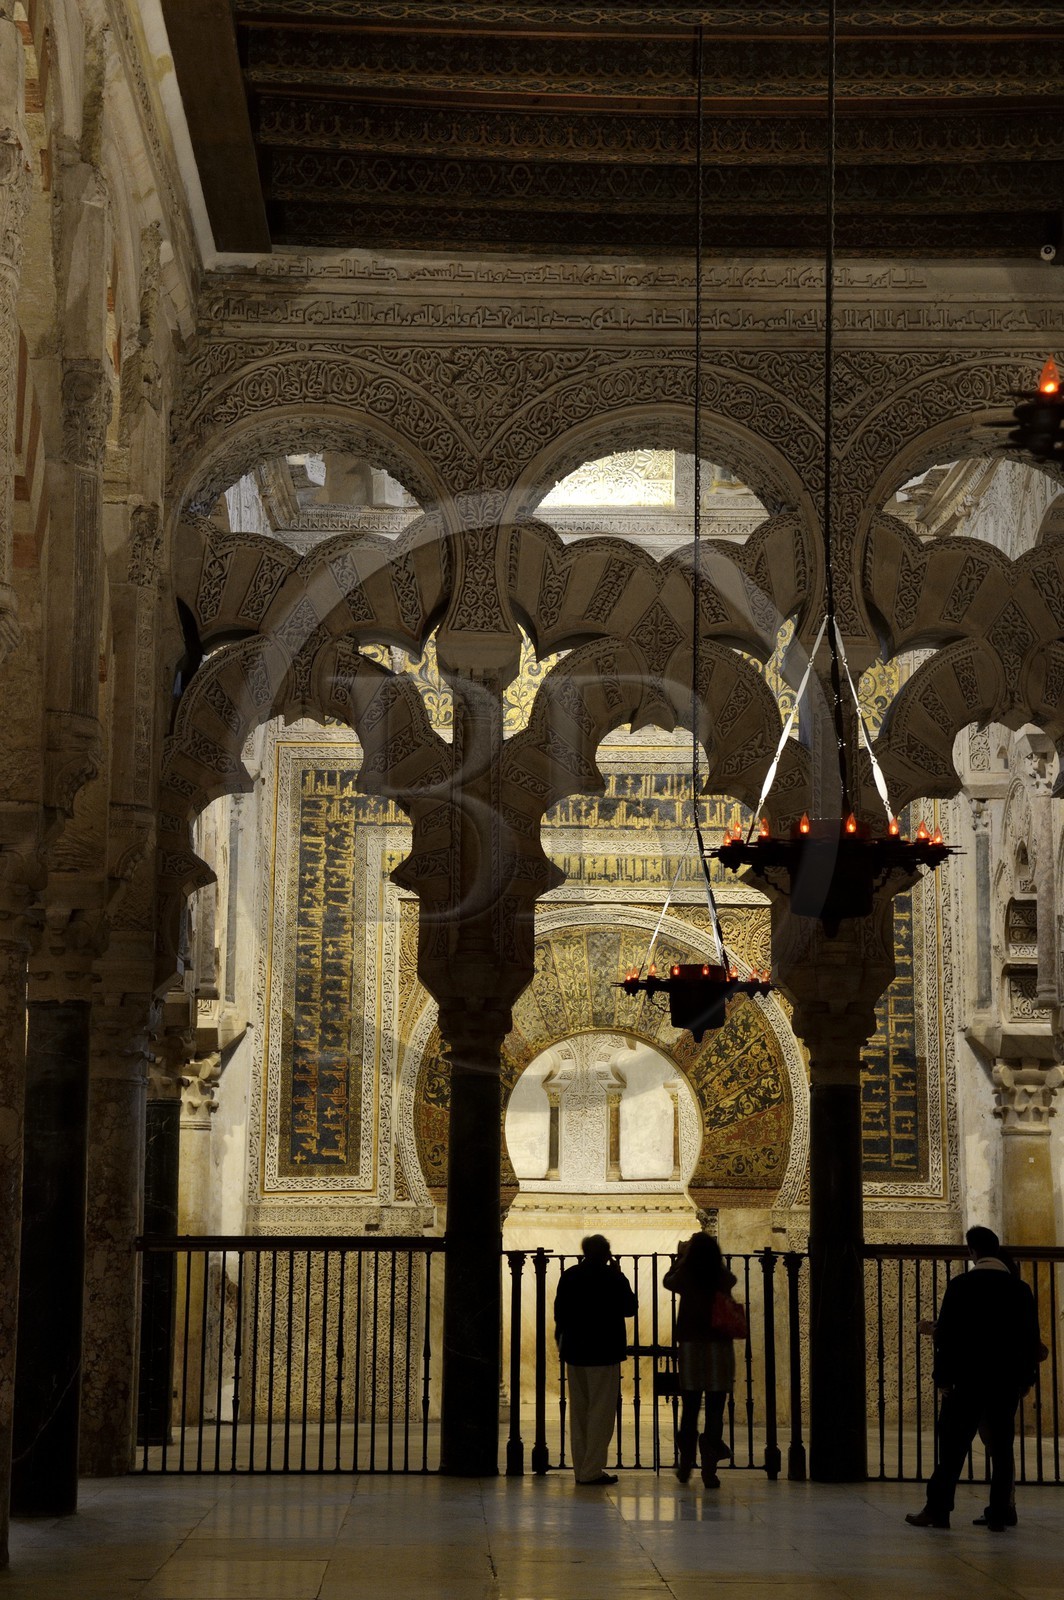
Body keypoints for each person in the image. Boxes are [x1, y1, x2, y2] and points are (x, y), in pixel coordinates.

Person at [906, 1225, 1044, 1533]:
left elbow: (947, 1338)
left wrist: (943, 1378)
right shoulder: (1020, 1290)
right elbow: (1029, 1340)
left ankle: (939, 1510)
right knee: (1003, 1450)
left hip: (967, 1383)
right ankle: (998, 1514)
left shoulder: (961, 1286)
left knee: (953, 1449)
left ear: (972, 1252)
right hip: (1005, 1383)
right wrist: (1026, 1380)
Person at [553, 1234, 637, 1486]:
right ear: (607, 1254)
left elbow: (560, 1312)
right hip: (603, 1351)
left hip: (575, 1351)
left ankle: (582, 1469)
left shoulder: (570, 1275)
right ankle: (591, 1470)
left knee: (579, 1412)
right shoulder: (612, 1277)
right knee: (600, 1412)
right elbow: (629, 1308)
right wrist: (620, 1275)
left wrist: (563, 1340)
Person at [662, 1232, 743, 1488]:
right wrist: (716, 1261)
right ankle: (709, 1470)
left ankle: (686, 1463)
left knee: (690, 1406)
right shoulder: (720, 1276)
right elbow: (732, 1278)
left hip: (691, 1346)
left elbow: (668, 1281)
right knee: (716, 1408)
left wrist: (680, 1258)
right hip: (718, 1346)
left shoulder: (686, 1275)